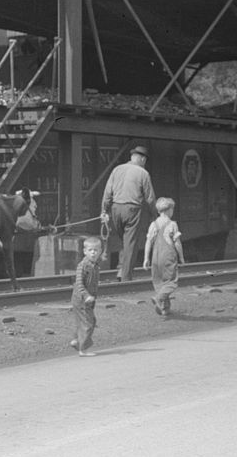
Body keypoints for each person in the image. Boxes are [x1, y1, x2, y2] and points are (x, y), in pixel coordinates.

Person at [100, 145, 156, 281]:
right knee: (130, 243)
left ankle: (121, 269)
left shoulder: (116, 170)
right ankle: (126, 278)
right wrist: (155, 216)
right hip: (132, 210)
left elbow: (107, 192)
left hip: (115, 209)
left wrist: (104, 211)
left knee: (123, 242)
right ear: (142, 159)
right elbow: (150, 198)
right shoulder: (143, 173)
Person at [142, 197, 185, 316]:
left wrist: (146, 258)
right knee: (171, 282)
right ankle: (158, 299)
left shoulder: (153, 224)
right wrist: (181, 257)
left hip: (156, 257)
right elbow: (177, 242)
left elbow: (148, 242)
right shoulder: (172, 224)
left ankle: (164, 309)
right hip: (168, 256)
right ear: (169, 210)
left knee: (159, 283)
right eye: (172, 210)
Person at [69, 236, 102, 357]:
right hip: (81, 299)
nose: (93, 252)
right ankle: (83, 349)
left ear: (100, 251)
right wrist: (87, 295)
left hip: (88, 300)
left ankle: (76, 340)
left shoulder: (95, 265)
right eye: (90, 250)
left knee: (85, 321)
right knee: (88, 322)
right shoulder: (82, 265)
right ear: (85, 251)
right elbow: (79, 283)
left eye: (96, 250)